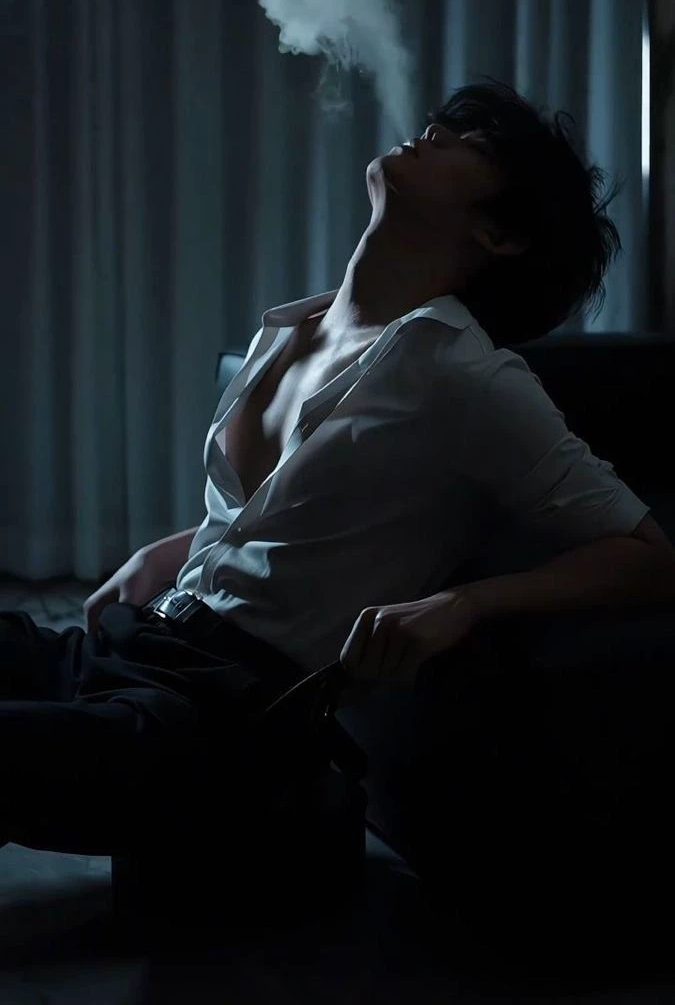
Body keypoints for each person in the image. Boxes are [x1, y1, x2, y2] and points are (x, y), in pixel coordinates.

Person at [2, 79, 674, 856]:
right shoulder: (292, 326)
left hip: (217, 723)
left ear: (499, 235)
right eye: (446, 123)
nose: (437, 132)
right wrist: (177, 548)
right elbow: (301, 514)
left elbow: (649, 557)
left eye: (475, 143)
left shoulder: (465, 376)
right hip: (139, 648)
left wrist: (465, 603)